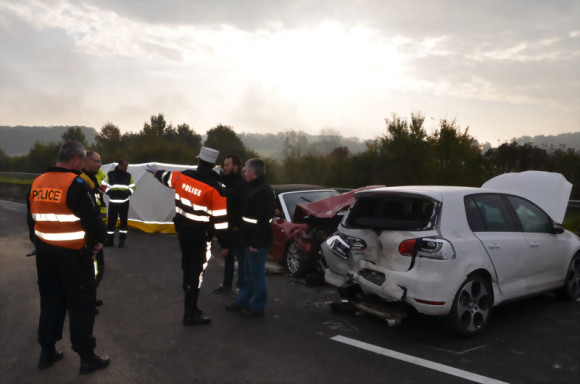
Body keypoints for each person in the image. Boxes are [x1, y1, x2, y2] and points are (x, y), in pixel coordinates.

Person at [26, 141, 110, 375]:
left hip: (45, 255)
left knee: (51, 302)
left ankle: (47, 351)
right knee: (81, 305)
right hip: (75, 256)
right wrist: (96, 245)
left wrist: (41, 244)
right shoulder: (76, 183)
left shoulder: (37, 182)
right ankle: (86, 357)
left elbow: (31, 222)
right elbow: (94, 222)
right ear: (76, 160)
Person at [146, 146, 229, 326]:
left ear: (199, 161)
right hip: (201, 236)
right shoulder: (218, 188)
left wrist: (155, 172)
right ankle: (190, 314)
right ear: (214, 164)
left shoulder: (183, 176)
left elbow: (165, 177)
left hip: (183, 232)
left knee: (187, 265)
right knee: (197, 272)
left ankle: (191, 304)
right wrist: (225, 244)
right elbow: (221, 221)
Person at [226, 158, 274, 317]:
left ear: (253, 172)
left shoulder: (263, 192)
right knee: (247, 271)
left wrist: (255, 243)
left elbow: (264, 222)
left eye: (246, 169)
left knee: (257, 274)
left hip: (256, 242)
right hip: (248, 238)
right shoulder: (252, 188)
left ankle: (258, 307)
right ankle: (242, 301)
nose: (243, 171)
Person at [213, 155, 246, 295]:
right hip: (226, 228)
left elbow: (241, 208)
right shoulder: (222, 181)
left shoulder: (242, 184)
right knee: (228, 257)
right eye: (224, 164)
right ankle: (226, 285)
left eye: (227, 165)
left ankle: (241, 288)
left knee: (242, 260)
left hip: (237, 229)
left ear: (236, 166)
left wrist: (236, 225)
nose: (224, 167)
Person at [80, 151, 107, 311]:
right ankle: (86, 301)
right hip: (90, 236)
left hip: (95, 233)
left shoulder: (91, 180)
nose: (100, 164)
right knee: (93, 270)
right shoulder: (83, 182)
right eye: (97, 161)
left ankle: (90, 297)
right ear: (86, 161)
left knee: (96, 270)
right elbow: (88, 213)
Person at [102, 159, 135, 248]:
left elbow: (133, 187)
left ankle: (122, 241)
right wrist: (110, 193)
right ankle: (110, 241)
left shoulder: (128, 175)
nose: (126, 168)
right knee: (111, 222)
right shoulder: (110, 174)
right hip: (113, 202)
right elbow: (103, 185)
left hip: (125, 202)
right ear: (120, 165)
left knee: (124, 222)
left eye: (127, 166)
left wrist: (128, 193)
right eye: (125, 166)